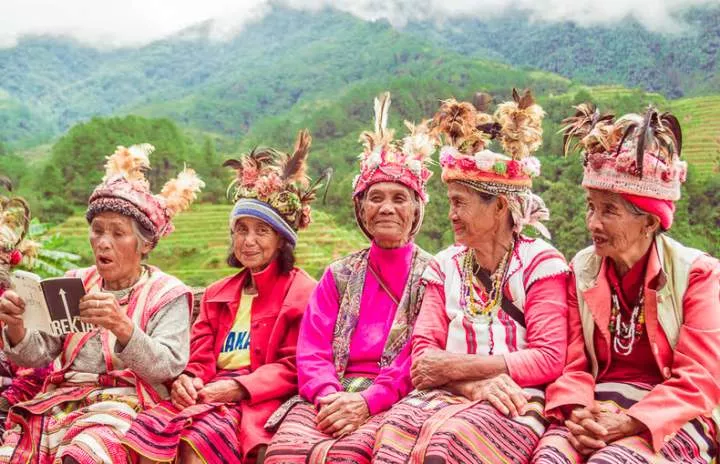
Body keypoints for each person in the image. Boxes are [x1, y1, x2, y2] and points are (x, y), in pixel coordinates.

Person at [373, 89, 570, 464]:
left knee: (451, 444)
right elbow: (423, 359)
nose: (451, 215)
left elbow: (548, 358)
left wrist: (456, 368)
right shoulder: (444, 265)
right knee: (392, 436)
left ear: (498, 207)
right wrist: (472, 383)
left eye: (459, 203)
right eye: (450, 202)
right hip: (453, 392)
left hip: (514, 397)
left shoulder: (540, 263)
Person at [532, 105, 720, 463]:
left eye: (609, 211)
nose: (593, 223)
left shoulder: (696, 274)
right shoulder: (582, 268)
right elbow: (573, 365)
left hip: (671, 412)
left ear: (649, 222)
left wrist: (632, 422)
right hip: (598, 404)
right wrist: (578, 412)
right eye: (591, 207)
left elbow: (698, 378)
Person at [122, 130, 320, 464]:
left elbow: (294, 366)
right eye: (241, 230)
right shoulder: (217, 294)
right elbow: (199, 357)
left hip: (257, 398)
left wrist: (238, 388)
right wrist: (189, 379)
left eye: (262, 231)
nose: (249, 241)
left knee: (196, 443)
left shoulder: (302, 292)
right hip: (210, 392)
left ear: (282, 239)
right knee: (147, 435)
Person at [0, 144, 203, 463]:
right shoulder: (74, 282)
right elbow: (40, 355)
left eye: (118, 233)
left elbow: (167, 367)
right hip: (62, 402)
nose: (103, 242)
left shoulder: (167, 293)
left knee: (85, 453)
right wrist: (16, 326)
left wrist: (122, 327)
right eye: (97, 231)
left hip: (130, 406)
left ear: (145, 244)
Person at [264, 92, 435, 464]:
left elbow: (420, 354)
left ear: (416, 209)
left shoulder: (434, 275)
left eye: (399, 198)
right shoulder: (339, 274)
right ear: (361, 209)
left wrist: (366, 401)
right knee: (285, 453)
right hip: (330, 396)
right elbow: (312, 349)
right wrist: (328, 396)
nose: (386, 207)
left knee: (358, 455)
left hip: (397, 397)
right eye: (375, 198)